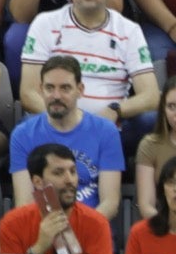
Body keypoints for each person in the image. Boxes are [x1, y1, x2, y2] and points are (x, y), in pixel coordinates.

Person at [19, 0, 158, 141]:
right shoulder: (45, 24)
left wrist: (116, 109)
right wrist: (69, 120)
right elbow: (28, 94)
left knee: (151, 119)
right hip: (57, 123)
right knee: (27, 124)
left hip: (111, 129)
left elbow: (151, 95)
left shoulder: (129, 30)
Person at [13, 56, 125, 211]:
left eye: (65, 88)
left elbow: (110, 202)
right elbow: (24, 203)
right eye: (50, 88)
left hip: (91, 221)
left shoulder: (106, 131)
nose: (56, 96)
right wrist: (51, 226)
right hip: (43, 222)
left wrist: (82, 226)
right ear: (41, 89)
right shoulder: (23, 134)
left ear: (80, 90)